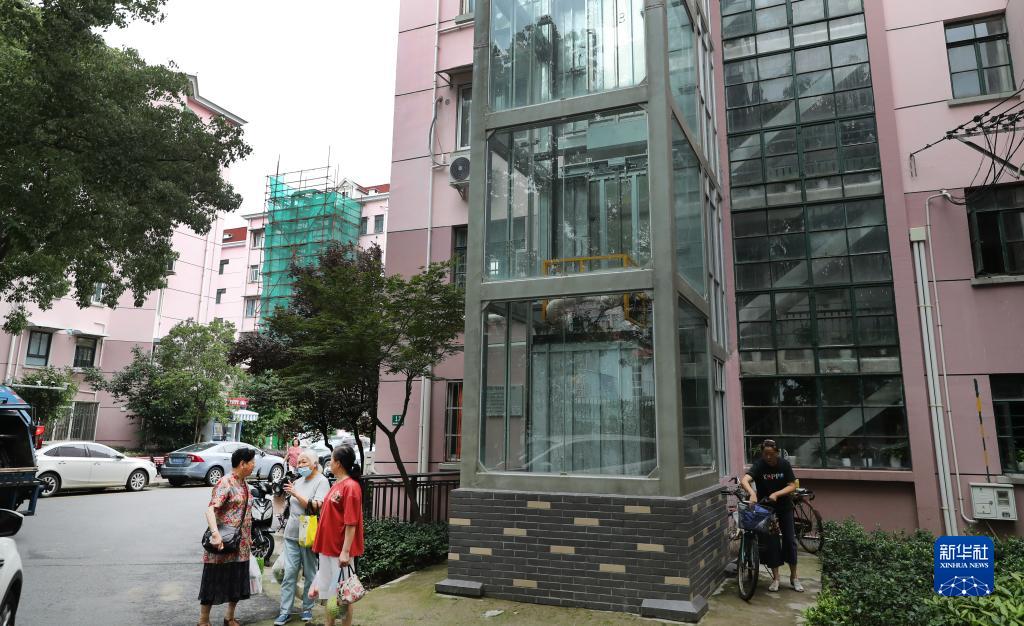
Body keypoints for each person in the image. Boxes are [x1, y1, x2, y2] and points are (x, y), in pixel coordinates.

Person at [199, 447, 256, 626]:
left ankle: (229, 617)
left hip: (241, 543)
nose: (254, 465)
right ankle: (203, 621)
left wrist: (249, 536)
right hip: (223, 541)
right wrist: (215, 535)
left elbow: (245, 512)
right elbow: (210, 510)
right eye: (252, 462)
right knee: (213, 578)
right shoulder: (225, 482)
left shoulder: (244, 484)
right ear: (242, 463)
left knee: (236, 580)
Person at [310, 446, 365, 626]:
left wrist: (345, 551)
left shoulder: (351, 487)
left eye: (332, 460)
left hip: (339, 549)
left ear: (338, 463)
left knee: (344, 594)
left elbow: (351, 522)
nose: (329, 463)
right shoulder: (338, 483)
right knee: (328, 592)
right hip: (328, 547)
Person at [274, 450, 330, 625]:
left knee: (310, 573)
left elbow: (316, 507)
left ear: (314, 464)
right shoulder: (297, 481)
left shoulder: (321, 481)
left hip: (309, 535)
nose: (300, 465)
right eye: (298, 462)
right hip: (291, 534)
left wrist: (295, 493)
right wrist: (280, 494)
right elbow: (287, 506)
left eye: (304, 462)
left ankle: (307, 608)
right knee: (289, 573)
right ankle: (285, 611)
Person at [741, 439, 803, 593]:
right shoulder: (759, 465)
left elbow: (792, 486)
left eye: (771, 454)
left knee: (790, 540)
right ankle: (776, 578)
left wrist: (776, 494)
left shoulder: (784, 465)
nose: (768, 457)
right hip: (766, 509)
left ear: (777, 452)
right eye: (765, 454)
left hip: (784, 507)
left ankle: (794, 576)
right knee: (772, 542)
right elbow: (745, 480)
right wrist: (752, 493)